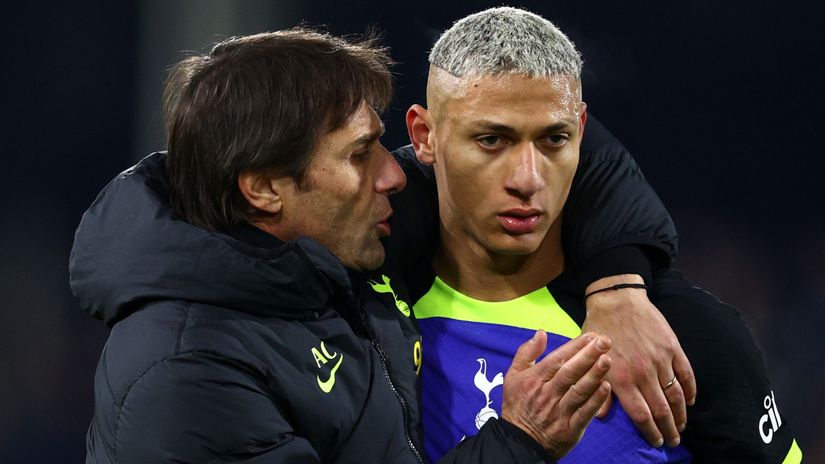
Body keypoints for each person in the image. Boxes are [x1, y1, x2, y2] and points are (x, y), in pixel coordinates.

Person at [69, 29, 638, 463]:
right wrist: (520, 441)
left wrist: (622, 288)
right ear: (266, 188)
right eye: (360, 153)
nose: (394, 173)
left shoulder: (330, 254)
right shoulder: (188, 374)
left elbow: (560, 136)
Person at [401, 7, 801, 463]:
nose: (528, 179)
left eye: (554, 140)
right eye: (492, 140)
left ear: (583, 132)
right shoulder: (369, 314)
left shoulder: (684, 336)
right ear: (423, 135)